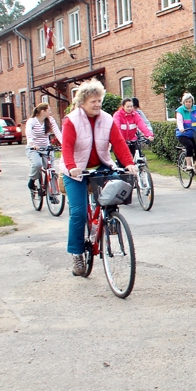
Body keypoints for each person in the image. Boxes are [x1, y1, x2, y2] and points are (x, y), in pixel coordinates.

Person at [60, 80, 137, 276]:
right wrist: (71, 167)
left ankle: (110, 221)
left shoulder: (107, 119)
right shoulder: (71, 120)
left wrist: (128, 163)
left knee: (117, 189)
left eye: (99, 101)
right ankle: (77, 254)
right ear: (82, 102)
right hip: (76, 171)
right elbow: (66, 148)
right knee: (77, 213)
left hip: (101, 165)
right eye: (93, 101)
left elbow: (119, 143)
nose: (97, 104)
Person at [25, 103, 63, 190]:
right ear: (43, 111)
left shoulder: (50, 120)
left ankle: (53, 193)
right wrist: (32, 144)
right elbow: (28, 133)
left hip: (46, 148)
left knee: (51, 169)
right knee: (37, 164)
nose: (50, 112)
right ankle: (32, 180)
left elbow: (57, 132)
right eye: (49, 110)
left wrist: (63, 143)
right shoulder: (32, 121)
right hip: (34, 148)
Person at [113, 98, 154, 167]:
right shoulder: (117, 115)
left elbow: (142, 125)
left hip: (132, 140)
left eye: (131, 106)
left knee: (136, 158)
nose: (130, 108)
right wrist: (120, 140)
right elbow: (117, 128)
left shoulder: (135, 114)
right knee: (123, 164)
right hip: (120, 141)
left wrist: (149, 135)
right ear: (123, 106)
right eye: (128, 107)